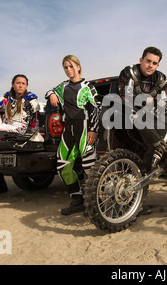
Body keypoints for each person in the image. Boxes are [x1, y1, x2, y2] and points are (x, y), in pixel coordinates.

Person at [46, 55, 100, 216]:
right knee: (62, 165)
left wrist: (93, 130)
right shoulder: (63, 86)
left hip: (84, 127)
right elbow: (50, 91)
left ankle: (98, 202)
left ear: (78, 67)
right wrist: (51, 94)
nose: (68, 70)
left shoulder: (87, 86)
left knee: (90, 166)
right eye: (65, 67)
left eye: (71, 66)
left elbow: (95, 109)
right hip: (68, 128)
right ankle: (77, 199)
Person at [116, 46, 167, 168]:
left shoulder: (161, 79)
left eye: (154, 63)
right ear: (141, 60)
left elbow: (163, 104)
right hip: (126, 120)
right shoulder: (130, 72)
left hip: (151, 121)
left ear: (157, 66)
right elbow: (126, 99)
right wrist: (150, 101)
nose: (150, 65)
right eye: (148, 61)